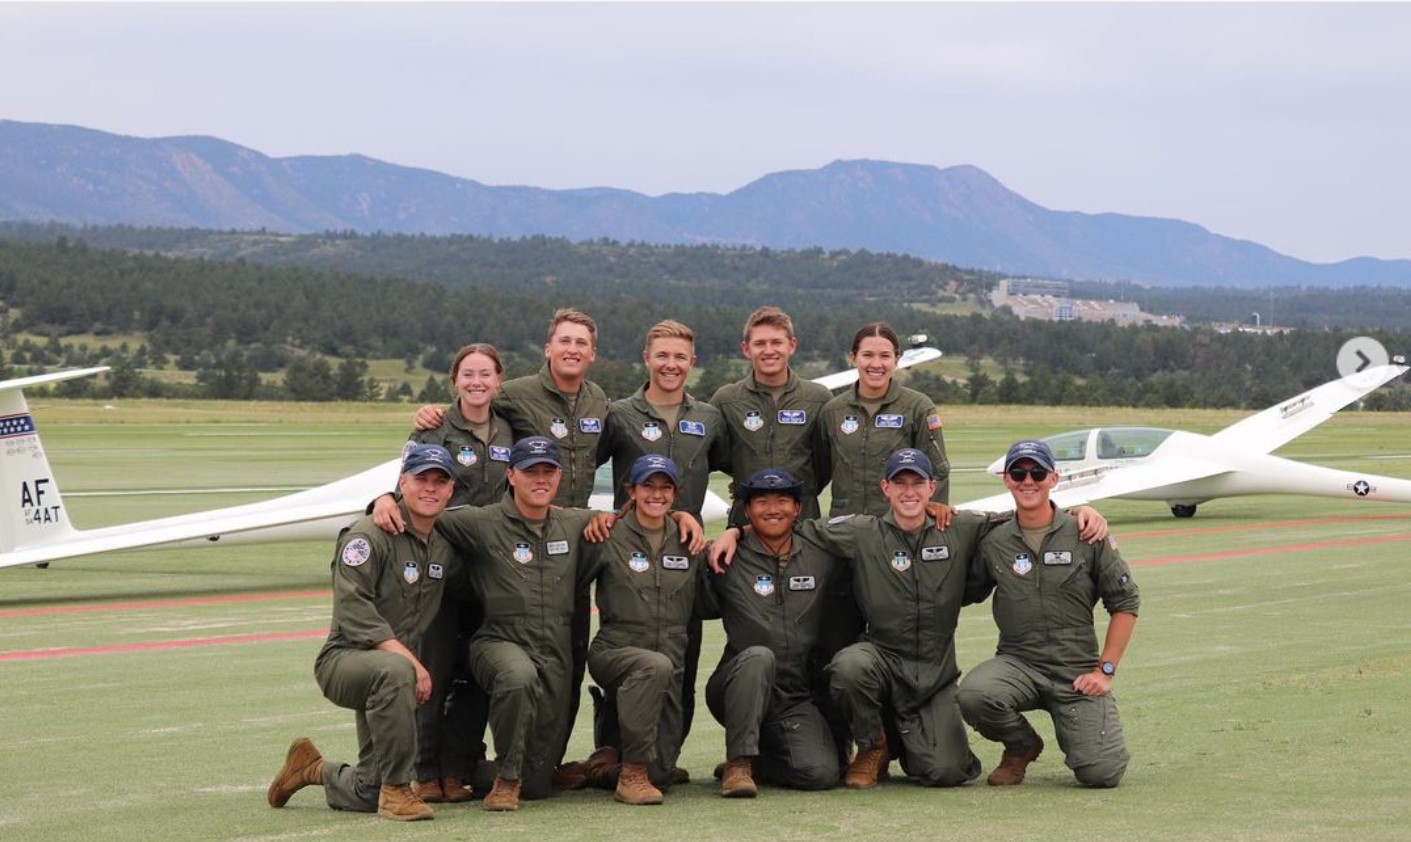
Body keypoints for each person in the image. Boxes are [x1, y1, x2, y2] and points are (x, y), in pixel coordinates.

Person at [710, 449, 1108, 791]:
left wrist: (1076, 512)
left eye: (917, 483)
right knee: (849, 667)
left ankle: (909, 743)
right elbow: (788, 525)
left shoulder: (960, 526)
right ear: (885, 488)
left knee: (946, 772)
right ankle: (873, 746)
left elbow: (1022, 516)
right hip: (882, 659)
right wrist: (736, 532)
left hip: (934, 672)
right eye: (899, 483)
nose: (909, 491)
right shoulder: (861, 532)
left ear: (932, 487)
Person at [412, 307, 610, 786]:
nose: (572, 349)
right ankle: (431, 769)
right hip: (470, 548)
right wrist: (428, 415)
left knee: (557, 664)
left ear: (592, 353)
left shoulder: (599, 401)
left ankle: (537, 764)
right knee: (448, 663)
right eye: (564, 340)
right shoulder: (514, 396)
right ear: (548, 348)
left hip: (556, 548)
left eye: (581, 343)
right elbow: (425, 459)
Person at [266, 444, 459, 822]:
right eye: (421, 478)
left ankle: (311, 769)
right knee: (397, 671)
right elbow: (352, 609)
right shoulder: (368, 536)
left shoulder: (444, 542)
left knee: (367, 790)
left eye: (440, 481)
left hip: (391, 675)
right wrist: (409, 661)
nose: (430, 488)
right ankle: (398, 792)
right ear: (402, 482)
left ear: (452, 489)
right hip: (347, 659)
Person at [588, 319, 730, 778]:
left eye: (680, 357)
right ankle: (613, 749)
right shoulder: (618, 414)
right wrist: (596, 517)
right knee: (629, 654)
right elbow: (576, 465)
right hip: (628, 556)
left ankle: (663, 757)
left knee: (681, 658)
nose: (671, 364)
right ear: (646, 358)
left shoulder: (709, 417)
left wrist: (734, 527)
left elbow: (741, 470)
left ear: (693, 362)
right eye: (662, 355)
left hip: (684, 555)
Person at [373, 343, 512, 803]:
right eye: (468, 374)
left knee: (476, 673)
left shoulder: (510, 429)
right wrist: (381, 499)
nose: (477, 382)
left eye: (485, 374)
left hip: (491, 569)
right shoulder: (433, 428)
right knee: (432, 668)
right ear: (454, 381)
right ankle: (425, 770)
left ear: (499, 380)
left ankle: (457, 768)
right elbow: (404, 485)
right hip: (437, 564)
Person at [958, 439, 1140, 789]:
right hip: (1018, 663)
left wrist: (1105, 670)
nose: (1028, 481)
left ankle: (1080, 725)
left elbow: (1125, 603)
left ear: (1054, 478)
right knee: (975, 695)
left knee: (1101, 773)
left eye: (1037, 473)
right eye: (1019, 473)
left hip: (1075, 669)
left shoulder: (1087, 533)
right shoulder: (994, 541)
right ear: (1006, 479)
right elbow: (965, 591)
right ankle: (1021, 745)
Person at [699, 468, 847, 797]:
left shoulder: (820, 552)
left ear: (798, 508)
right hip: (736, 685)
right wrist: (732, 533)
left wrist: (933, 509)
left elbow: (873, 532)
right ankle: (738, 764)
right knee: (758, 656)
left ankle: (762, 761)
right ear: (747, 510)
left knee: (821, 774)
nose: (773, 509)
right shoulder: (725, 554)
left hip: (792, 694)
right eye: (761, 502)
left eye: (782, 501)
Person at [584, 455, 707, 805]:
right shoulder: (608, 534)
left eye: (665, 487)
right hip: (615, 650)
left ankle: (601, 767)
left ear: (675, 494)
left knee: (662, 775)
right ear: (632, 491)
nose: (657, 494)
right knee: (652, 666)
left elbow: (709, 597)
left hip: (670, 660)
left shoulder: (688, 539)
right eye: (648, 486)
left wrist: (733, 532)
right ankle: (630, 773)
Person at [710, 306, 832, 525]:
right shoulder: (727, 400)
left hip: (802, 518)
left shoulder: (818, 398)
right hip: (746, 520)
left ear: (792, 345)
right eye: (760, 343)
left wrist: (801, 489)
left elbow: (827, 461)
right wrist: (747, 481)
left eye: (776, 342)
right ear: (746, 349)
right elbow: (714, 455)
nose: (769, 350)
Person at [818, 321, 950, 515]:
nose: (876, 364)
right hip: (845, 525)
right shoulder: (832, 411)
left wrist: (933, 515)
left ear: (897, 360)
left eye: (885, 356)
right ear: (853, 358)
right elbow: (818, 472)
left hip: (898, 522)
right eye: (867, 355)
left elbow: (937, 470)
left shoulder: (918, 408)